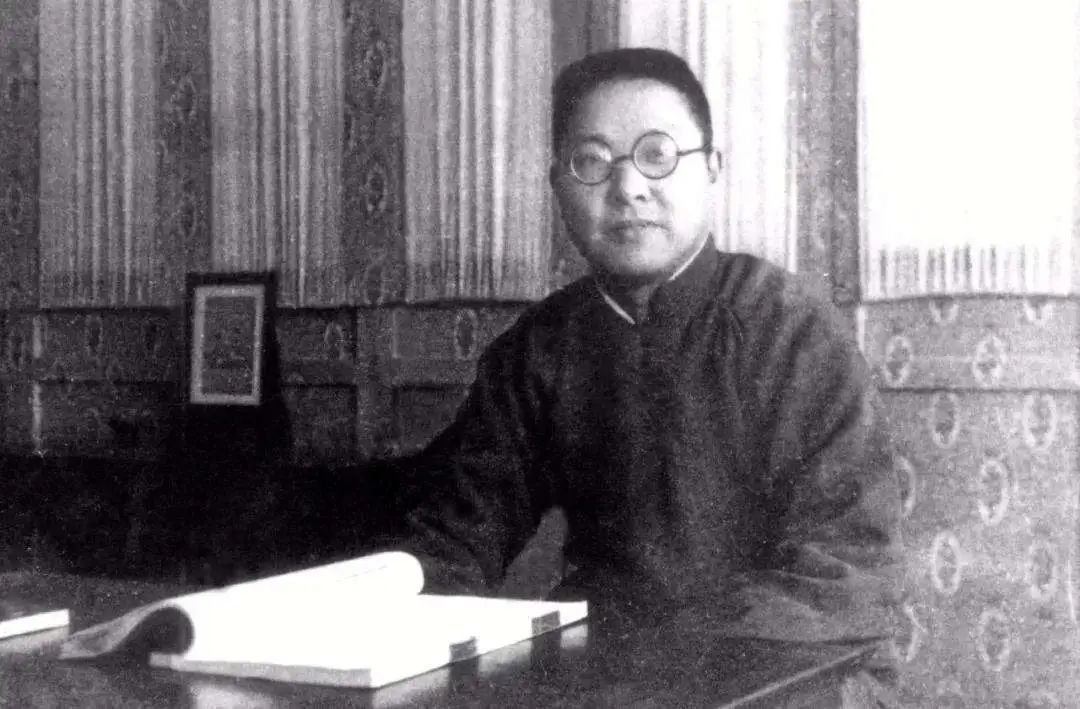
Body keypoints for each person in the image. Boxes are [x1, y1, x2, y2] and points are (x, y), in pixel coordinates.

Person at [396, 46, 905, 675]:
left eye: (657, 155)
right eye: (592, 161)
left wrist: (664, 661)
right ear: (557, 183)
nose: (628, 188)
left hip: (785, 669)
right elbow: (456, 535)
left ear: (711, 168)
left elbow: (847, 567)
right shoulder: (539, 349)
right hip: (610, 674)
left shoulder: (791, 329)